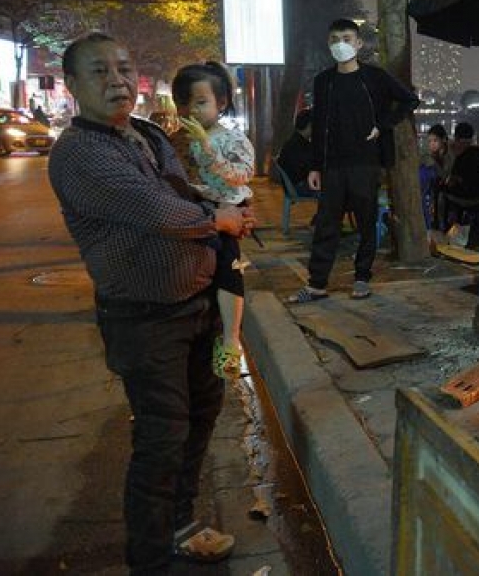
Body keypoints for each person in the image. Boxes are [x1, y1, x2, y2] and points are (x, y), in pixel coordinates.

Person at [47, 32, 253, 573]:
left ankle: (182, 525)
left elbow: (180, 192)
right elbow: (157, 210)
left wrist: (222, 206)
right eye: (99, 72)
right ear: (71, 85)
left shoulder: (144, 133)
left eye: (122, 68)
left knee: (201, 415)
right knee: (162, 436)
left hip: (197, 303)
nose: (116, 81)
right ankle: (151, 557)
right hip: (143, 317)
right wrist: (217, 218)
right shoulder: (79, 154)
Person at [288, 18, 418, 303]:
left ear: (359, 43)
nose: (341, 44)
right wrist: (314, 165)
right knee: (326, 223)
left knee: (366, 221)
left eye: (347, 38)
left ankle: (362, 278)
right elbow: (319, 124)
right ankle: (317, 284)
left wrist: (382, 125)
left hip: (366, 162)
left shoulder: (374, 76)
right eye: (335, 39)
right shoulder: (324, 81)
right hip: (332, 164)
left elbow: (409, 100)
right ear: (328, 44)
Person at [169, 61, 255, 381]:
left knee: (228, 269)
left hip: (225, 212)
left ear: (221, 103)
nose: (191, 110)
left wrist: (207, 152)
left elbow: (241, 175)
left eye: (201, 102)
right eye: (184, 103)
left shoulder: (232, 139)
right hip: (191, 215)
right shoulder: (174, 140)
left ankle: (231, 343)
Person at [442, 121, 479, 248]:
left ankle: (451, 234)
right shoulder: (478, 155)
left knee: (446, 195)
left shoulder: (464, 158)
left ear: (457, 139)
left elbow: (455, 184)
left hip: (477, 201)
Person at [273, 108, 316, 197]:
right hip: (299, 188)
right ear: (309, 125)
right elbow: (308, 169)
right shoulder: (299, 145)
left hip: (294, 187)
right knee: (334, 189)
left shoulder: (293, 142)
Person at [420, 123, 452, 230]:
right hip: (431, 190)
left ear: (443, 140)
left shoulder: (449, 155)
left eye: (435, 141)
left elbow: (447, 174)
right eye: (429, 141)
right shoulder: (427, 158)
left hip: (445, 189)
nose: (432, 144)